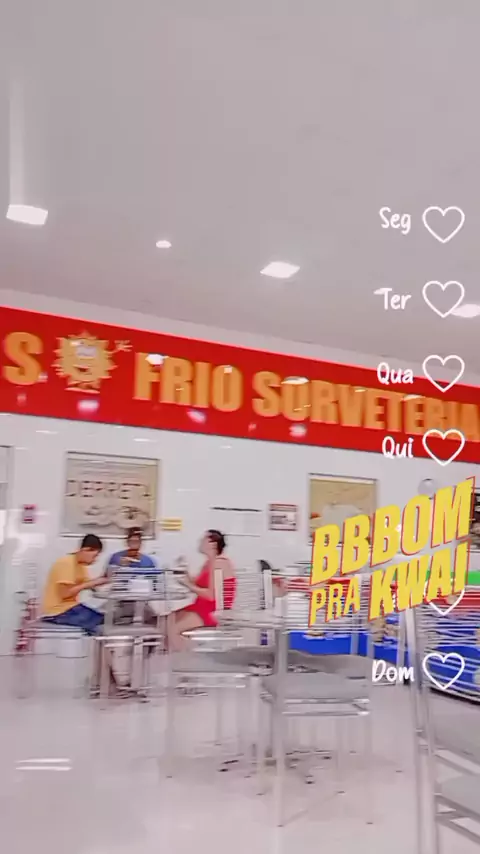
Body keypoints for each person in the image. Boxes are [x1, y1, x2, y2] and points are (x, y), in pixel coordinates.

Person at [167, 529, 236, 651]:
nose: (200, 542)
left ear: (212, 544)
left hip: (212, 610)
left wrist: (188, 585)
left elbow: (211, 595)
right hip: (202, 605)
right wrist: (185, 572)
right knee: (168, 618)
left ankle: (183, 657)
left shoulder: (219, 563)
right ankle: (177, 650)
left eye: (203, 539)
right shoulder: (209, 562)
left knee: (173, 630)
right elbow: (198, 583)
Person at [42, 534, 108, 634]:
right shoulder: (66, 563)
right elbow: (65, 594)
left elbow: (90, 584)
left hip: (70, 608)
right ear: (85, 550)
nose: (95, 559)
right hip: (58, 612)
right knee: (101, 625)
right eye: (95, 555)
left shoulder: (80, 565)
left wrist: (105, 579)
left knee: (105, 618)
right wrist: (88, 584)